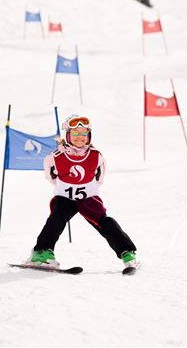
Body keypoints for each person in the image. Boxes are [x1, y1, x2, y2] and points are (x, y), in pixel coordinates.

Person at [26, 114, 137, 269]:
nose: (80, 137)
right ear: (68, 135)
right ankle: (41, 252)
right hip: (65, 196)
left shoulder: (96, 156)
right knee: (56, 220)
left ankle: (127, 252)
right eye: (76, 133)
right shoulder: (55, 157)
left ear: (89, 135)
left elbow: (99, 177)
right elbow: (51, 177)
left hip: (89, 197)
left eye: (84, 133)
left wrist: (84, 188)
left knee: (104, 222)